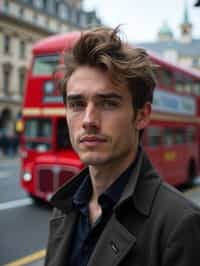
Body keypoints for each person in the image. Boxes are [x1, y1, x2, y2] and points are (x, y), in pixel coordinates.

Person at [45, 26, 200, 266]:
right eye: (77, 104)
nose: (88, 120)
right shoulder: (63, 209)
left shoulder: (180, 224)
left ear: (142, 115)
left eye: (107, 103)